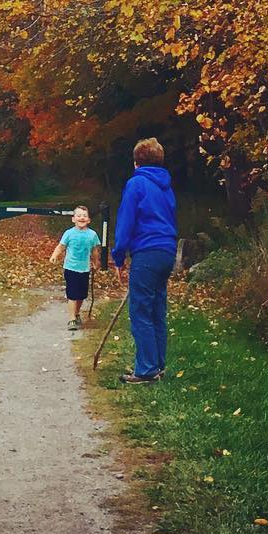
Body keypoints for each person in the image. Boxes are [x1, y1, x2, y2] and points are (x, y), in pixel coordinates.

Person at [111, 137, 178, 385]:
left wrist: (119, 256)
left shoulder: (136, 183)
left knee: (141, 311)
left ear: (137, 162)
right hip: (167, 251)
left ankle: (147, 369)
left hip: (147, 252)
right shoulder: (166, 186)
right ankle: (157, 364)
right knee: (157, 310)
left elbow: (126, 220)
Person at [48, 205, 101, 330]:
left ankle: (76, 313)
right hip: (71, 268)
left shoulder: (92, 235)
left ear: (88, 220)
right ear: (73, 219)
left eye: (84, 216)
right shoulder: (69, 233)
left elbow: (94, 251)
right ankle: (71, 319)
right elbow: (61, 246)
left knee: (81, 295)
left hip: (84, 269)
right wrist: (54, 255)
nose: (81, 218)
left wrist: (95, 262)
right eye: (79, 216)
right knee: (72, 294)